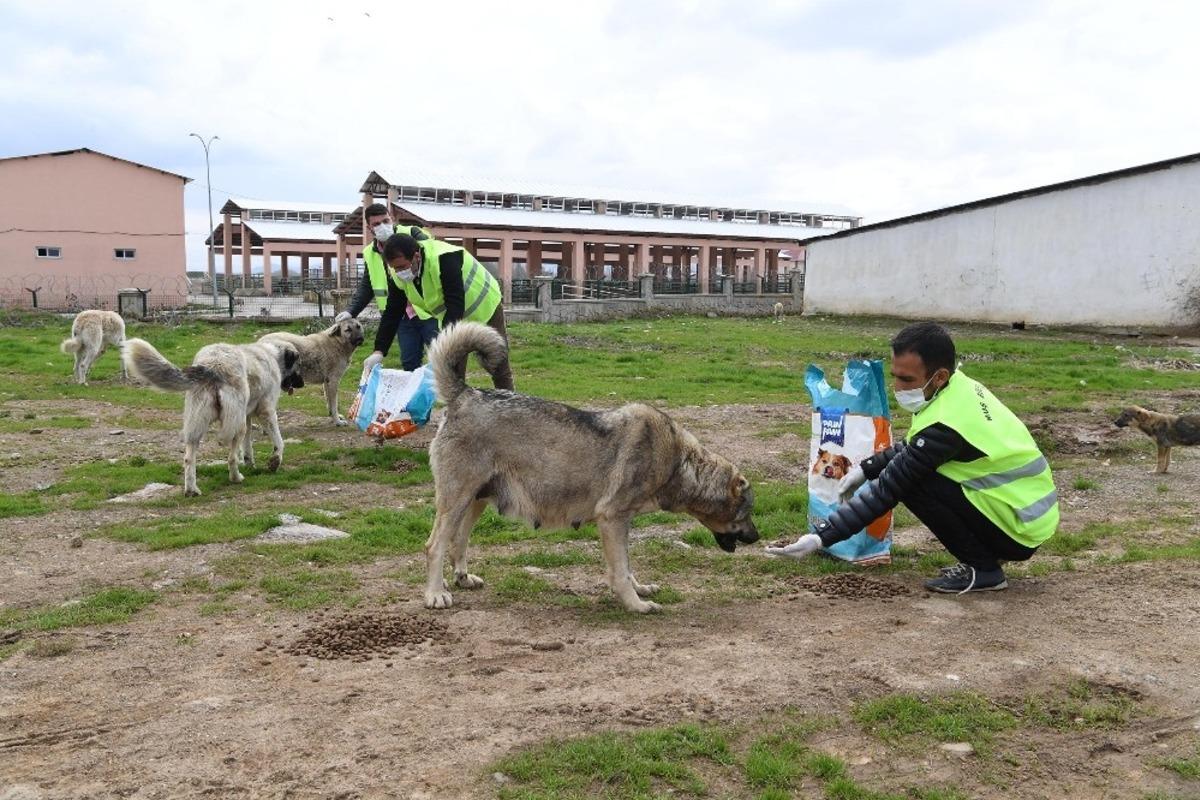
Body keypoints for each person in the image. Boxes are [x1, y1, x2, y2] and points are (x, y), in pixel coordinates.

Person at [767, 321, 1059, 594]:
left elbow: (890, 487)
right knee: (914, 470)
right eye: (895, 377)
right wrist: (866, 470)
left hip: (1020, 527)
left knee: (914, 482)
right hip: (1026, 511)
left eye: (907, 379)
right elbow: (912, 447)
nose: (898, 388)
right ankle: (987, 555)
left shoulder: (947, 424)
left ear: (939, 375)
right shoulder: (959, 390)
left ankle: (984, 570)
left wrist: (821, 537)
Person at [378, 231, 514, 390]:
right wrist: (379, 350)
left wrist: (447, 343)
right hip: (454, 317)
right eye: (395, 268)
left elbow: (455, 303)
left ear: (416, 256)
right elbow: (392, 312)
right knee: (452, 373)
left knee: (497, 365)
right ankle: (456, 413)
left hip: (485, 309)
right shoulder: (397, 275)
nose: (399, 272)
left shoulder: (443, 258)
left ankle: (509, 410)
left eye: (402, 267)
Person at [335, 203, 439, 372]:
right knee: (409, 362)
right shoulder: (369, 253)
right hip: (400, 315)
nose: (382, 226)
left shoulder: (413, 234)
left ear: (392, 219)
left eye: (385, 221)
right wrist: (351, 311)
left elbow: (433, 258)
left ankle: (447, 394)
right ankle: (418, 397)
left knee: (443, 358)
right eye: (376, 224)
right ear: (370, 229)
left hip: (428, 310)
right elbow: (367, 286)